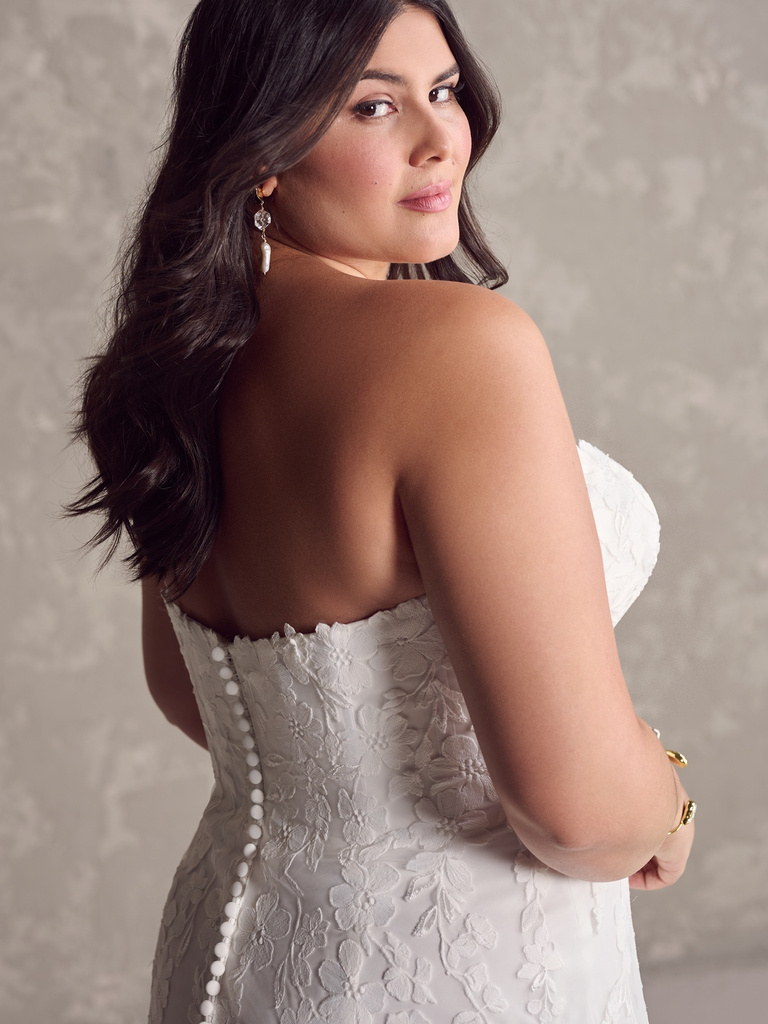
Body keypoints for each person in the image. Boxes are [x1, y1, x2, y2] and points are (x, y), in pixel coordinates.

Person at [69, 1, 696, 1021]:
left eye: (443, 90)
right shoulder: (459, 347)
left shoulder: (173, 365)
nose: (441, 136)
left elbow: (191, 695)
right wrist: (666, 799)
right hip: (456, 972)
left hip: (227, 950)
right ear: (261, 148)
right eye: (373, 106)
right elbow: (577, 810)